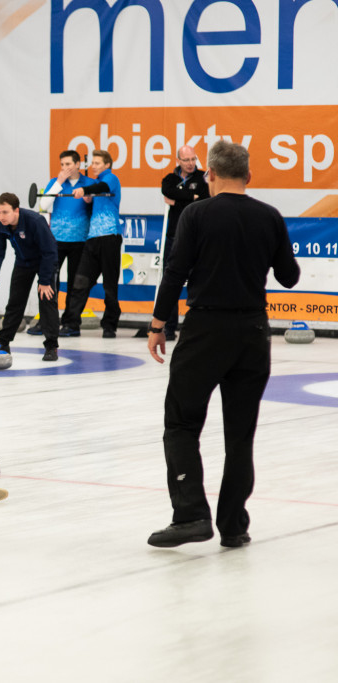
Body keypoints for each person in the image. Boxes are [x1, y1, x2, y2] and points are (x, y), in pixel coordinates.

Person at [145, 141, 300, 549]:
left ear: (209, 174)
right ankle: (233, 526)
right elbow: (289, 277)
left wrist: (158, 323)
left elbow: (175, 271)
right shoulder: (269, 216)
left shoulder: (196, 213)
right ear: (249, 176)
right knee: (240, 435)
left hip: (205, 331)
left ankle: (192, 515)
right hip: (252, 333)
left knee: (180, 424)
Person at [0, 192, 59, 361]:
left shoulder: (35, 221)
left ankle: (51, 346)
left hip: (45, 261)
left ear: (16, 211)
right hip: (23, 263)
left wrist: (45, 280)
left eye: (5, 212)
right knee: (15, 303)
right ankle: (3, 343)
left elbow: (50, 252)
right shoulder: (0, 226)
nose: (1, 216)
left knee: (47, 300)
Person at [61, 149, 123, 338]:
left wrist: (85, 191)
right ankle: (72, 324)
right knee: (80, 282)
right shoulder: (95, 184)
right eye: (92, 163)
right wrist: (88, 199)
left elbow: (102, 187)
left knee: (110, 285)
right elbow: (95, 192)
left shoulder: (111, 179)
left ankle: (110, 325)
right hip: (92, 239)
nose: (93, 166)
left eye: (97, 163)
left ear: (107, 165)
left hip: (109, 238)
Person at [36, 150, 95, 337]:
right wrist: (59, 183)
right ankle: (46, 322)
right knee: (50, 281)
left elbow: (97, 206)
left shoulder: (89, 183)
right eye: (62, 165)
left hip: (80, 240)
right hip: (56, 240)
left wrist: (89, 198)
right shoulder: (55, 183)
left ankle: (71, 323)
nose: (65, 168)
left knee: (75, 284)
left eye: (68, 164)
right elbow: (43, 206)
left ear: (78, 165)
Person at [158, 145, 209, 340]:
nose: (190, 164)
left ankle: (198, 327)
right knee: (170, 282)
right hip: (174, 238)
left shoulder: (203, 178)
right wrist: (190, 197)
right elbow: (166, 191)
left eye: (193, 159)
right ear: (178, 160)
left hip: (198, 238)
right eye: (186, 160)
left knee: (201, 283)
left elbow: (203, 199)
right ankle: (169, 328)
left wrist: (177, 201)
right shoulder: (170, 178)